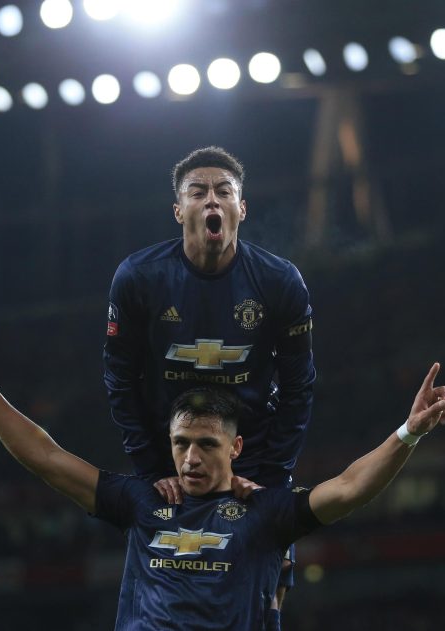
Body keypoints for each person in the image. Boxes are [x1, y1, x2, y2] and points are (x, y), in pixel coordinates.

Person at [0, 307, 445, 631]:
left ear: (236, 448)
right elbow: (45, 456)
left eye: (206, 444)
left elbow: (349, 487)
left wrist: (409, 432)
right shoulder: (143, 500)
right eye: (181, 443)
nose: (190, 457)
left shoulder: (267, 510)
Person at [103, 146, 316, 611]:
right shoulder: (139, 277)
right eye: (198, 192)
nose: (212, 201)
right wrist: (152, 469)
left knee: (266, 595)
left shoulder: (280, 282)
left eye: (224, 191)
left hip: (254, 457)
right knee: (173, 587)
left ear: (242, 208)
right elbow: (119, 378)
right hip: (174, 463)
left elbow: (299, 388)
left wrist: (271, 479)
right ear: (180, 211)